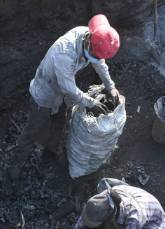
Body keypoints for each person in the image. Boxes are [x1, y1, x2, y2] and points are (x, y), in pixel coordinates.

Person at [12, 15, 120, 172]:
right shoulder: (65, 53)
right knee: (33, 130)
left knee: (60, 122)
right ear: (89, 42)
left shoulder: (92, 38)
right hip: (45, 92)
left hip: (61, 92)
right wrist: (91, 103)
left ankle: (51, 151)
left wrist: (110, 86)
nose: (97, 58)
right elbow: (68, 87)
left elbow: (99, 63)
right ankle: (15, 164)